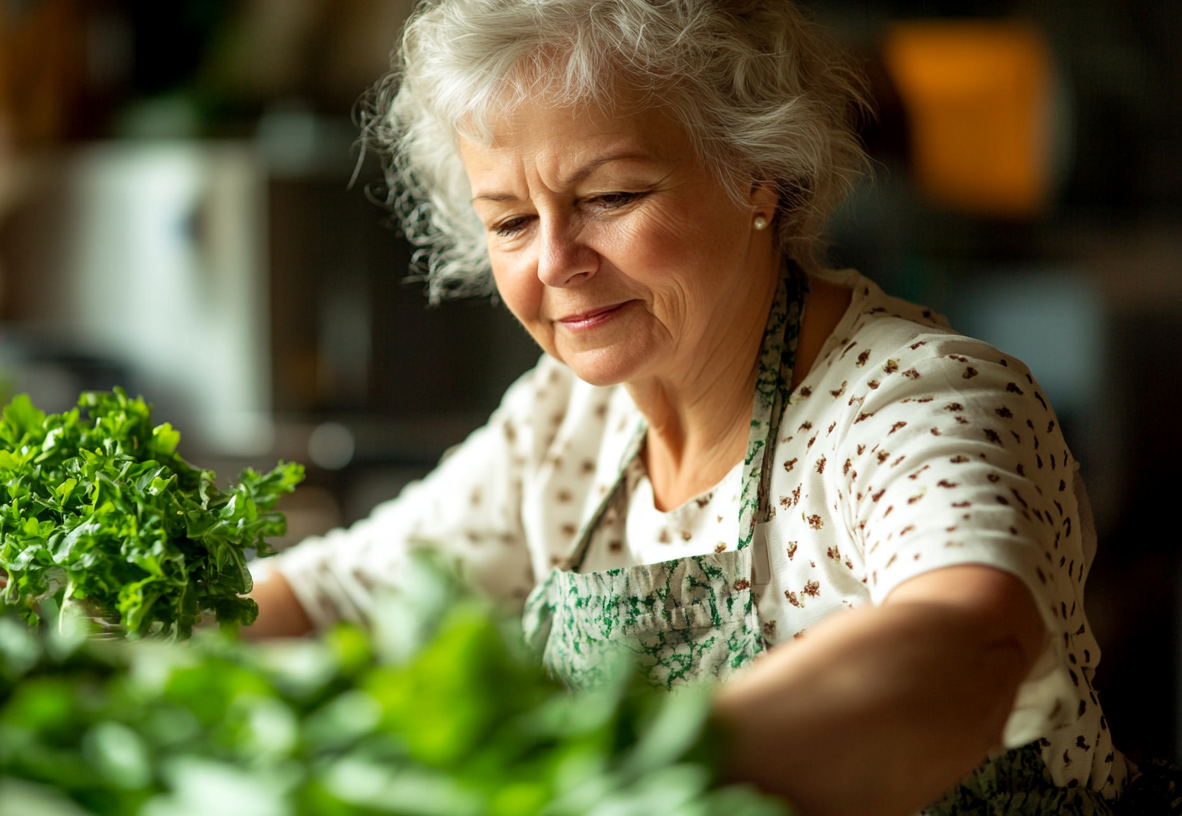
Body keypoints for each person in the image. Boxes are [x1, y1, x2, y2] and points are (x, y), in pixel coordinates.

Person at [244, 1, 1148, 814]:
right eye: (511, 221)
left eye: (611, 197)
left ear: (758, 172)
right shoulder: (568, 421)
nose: (555, 263)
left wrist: (626, 775)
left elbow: (966, 644)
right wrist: (115, 630)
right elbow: (339, 594)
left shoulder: (915, 402)